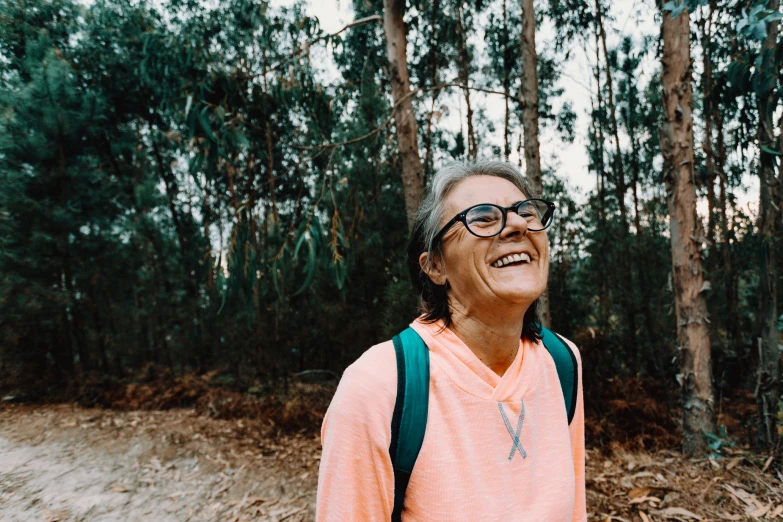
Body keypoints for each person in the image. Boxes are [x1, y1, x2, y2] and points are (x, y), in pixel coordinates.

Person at [316, 159, 586, 521]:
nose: (518, 225)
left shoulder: (563, 361)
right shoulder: (377, 387)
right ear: (435, 266)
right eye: (483, 217)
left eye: (526, 211)